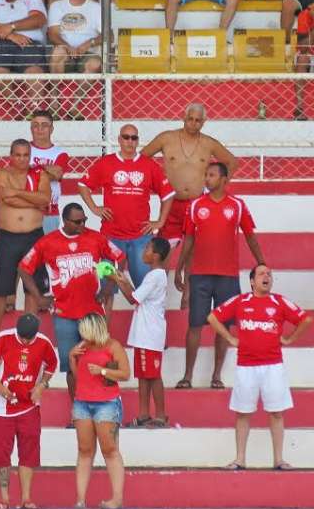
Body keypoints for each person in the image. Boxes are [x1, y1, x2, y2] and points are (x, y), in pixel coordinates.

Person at [18, 202, 125, 408]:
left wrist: (108, 287)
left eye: (84, 220)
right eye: (77, 221)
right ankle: (79, 411)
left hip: (92, 313)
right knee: (71, 366)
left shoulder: (96, 237)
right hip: (64, 314)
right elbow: (23, 268)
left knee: (102, 359)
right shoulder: (48, 242)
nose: (82, 224)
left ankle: (103, 404)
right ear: (65, 221)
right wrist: (39, 297)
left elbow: (120, 257)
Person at [210, 265, 312, 470]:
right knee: (242, 413)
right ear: (252, 281)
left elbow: (305, 319)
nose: (267, 277)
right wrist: (230, 337)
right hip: (246, 366)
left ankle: (279, 460)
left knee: (276, 413)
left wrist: (290, 339)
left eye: (269, 274)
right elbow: (213, 317)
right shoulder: (240, 301)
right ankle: (240, 459)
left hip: (273, 366)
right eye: (262, 274)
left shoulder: (279, 301)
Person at [175, 161, 265, 389]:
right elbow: (188, 240)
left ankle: (216, 376)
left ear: (224, 180)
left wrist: (262, 263)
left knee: (224, 327)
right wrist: (179, 269)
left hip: (227, 276)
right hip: (200, 275)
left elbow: (250, 236)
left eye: (212, 175)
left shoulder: (237, 205)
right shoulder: (195, 205)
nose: (207, 179)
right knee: (195, 325)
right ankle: (187, 376)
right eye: (206, 175)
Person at [78, 122, 174, 288]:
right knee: (106, 287)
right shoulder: (106, 163)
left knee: (145, 287)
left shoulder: (149, 165)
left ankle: (144, 316)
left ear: (138, 141)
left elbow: (168, 194)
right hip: (110, 236)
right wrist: (95, 208)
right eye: (126, 137)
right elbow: (83, 185)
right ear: (119, 140)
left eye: (134, 138)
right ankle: (104, 316)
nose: (130, 141)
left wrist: (160, 222)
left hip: (140, 238)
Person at [0, 313, 58, 509]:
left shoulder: (44, 343)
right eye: (22, 337)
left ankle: (26, 497)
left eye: (28, 338)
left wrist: (42, 385)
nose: (25, 341)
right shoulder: (3, 339)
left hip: (29, 406)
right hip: (2, 408)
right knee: (1, 454)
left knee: (29, 451)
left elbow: (52, 365)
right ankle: (4, 499)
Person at [141, 102, 237, 247]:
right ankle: (164, 271)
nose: (193, 123)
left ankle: (188, 271)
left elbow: (232, 162)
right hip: (171, 203)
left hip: (197, 203)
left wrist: (218, 188)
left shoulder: (209, 143)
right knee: (164, 247)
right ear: (183, 118)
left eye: (198, 120)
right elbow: (141, 159)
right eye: (190, 119)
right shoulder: (166, 138)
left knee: (194, 247)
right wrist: (154, 183)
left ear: (203, 122)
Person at [0, 139, 50, 342]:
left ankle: (28, 337)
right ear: (11, 155)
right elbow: (7, 199)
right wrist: (31, 197)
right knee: (0, 290)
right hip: (7, 237)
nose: (22, 159)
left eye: (26, 155)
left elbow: (45, 200)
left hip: (33, 236)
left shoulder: (38, 175)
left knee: (31, 289)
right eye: (18, 155)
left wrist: (17, 192)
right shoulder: (2, 174)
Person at [69, 314, 129, 509]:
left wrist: (103, 371)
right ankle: (80, 499)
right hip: (82, 402)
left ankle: (117, 498)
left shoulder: (113, 346)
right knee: (84, 450)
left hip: (107, 403)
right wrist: (72, 357)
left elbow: (125, 374)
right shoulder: (82, 347)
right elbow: (79, 376)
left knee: (110, 450)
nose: (83, 336)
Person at [113, 237, 171, 428]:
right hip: (144, 335)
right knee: (144, 376)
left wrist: (117, 279)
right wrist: (122, 279)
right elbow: (137, 295)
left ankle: (161, 416)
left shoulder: (155, 276)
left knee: (153, 376)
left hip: (149, 334)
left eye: (147, 248)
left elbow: (132, 299)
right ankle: (144, 414)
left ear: (155, 255)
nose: (143, 252)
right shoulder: (154, 275)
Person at [47, 0, 103, 76]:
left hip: (89, 53)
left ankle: (79, 94)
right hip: (65, 52)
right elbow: (52, 34)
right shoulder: (57, 6)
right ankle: (55, 93)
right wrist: (68, 47)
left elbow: (108, 34)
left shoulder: (97, 7)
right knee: (58, 52)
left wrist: (89, 44)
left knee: (95, 64)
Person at [29, 109, 68, 235]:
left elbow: (56, 175)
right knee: (25, 254)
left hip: (49, 211)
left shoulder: (60, 153)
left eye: (44, 125)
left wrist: (32, 168)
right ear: (31, 129)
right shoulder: (22, 148)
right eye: (36, 125)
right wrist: (48, 169)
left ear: (51, 129)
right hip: (25, 210)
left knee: (47, 253)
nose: (40, 129)